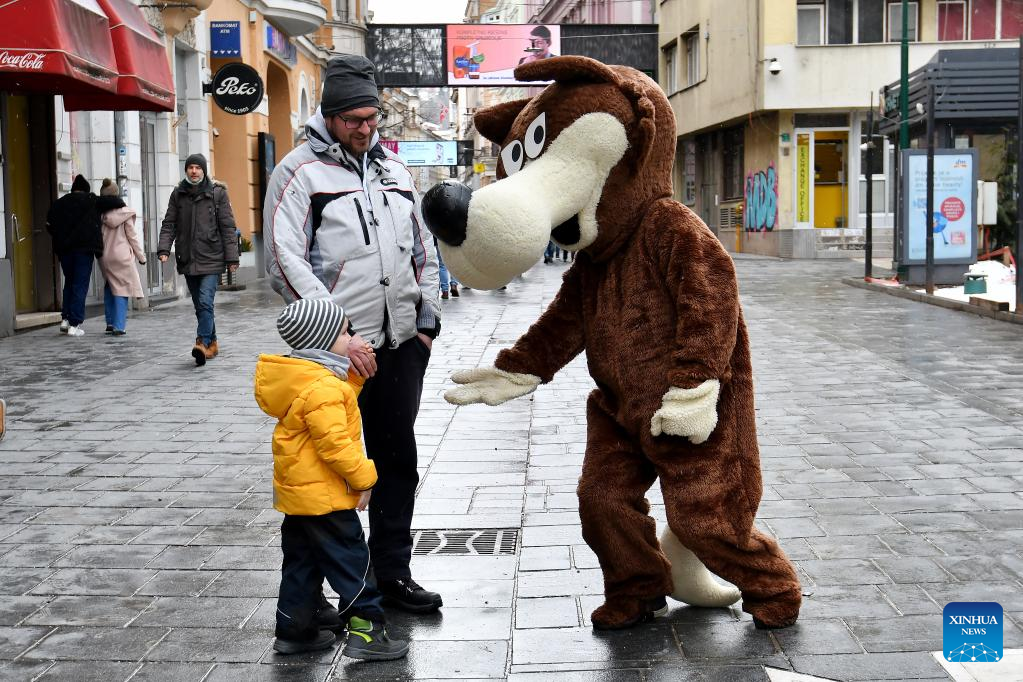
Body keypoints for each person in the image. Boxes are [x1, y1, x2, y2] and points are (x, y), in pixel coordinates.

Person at [265, 54, 443, 614]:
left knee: (397, 462)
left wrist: (427, 325)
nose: (366, 129)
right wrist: (338, 336)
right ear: (330, 115)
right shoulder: (299, 173)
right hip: (334, 354)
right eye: (354, 120)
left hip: (400, 346)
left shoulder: (395, 171)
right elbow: (282, 258)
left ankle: (392, 573)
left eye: (373, 118)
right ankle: (313, 591)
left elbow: (424, 252)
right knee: (324, 469)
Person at [255, 298, 409, 660]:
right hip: (326, 499)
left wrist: (353, 378)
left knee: (301, 564)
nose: (350, 337)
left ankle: (295, 630)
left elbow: (331, 405)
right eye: (343, 332)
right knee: (353, 563)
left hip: (300, 499)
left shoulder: (306, 378)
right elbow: (336, 443)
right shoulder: (323, 388)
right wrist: (365, 478)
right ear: (322, 341)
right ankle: (367, 631)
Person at [158, 154, 239, 366]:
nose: (194, 171)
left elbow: (228, 227)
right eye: (190, 168)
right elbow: (169, 224)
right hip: (188, 258)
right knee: (200, 304)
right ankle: (212, 343)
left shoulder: (217, 193)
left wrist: (232, 257)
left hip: (212, 257)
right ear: (186, 171)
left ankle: (201, 342)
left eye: (197, 168)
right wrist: (164, 248)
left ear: (203, 170)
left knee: (205, 301)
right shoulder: (178, 194)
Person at [46, 174, 102, 337]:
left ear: (73, 189)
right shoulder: (91, 200)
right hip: (84, 250)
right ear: (86, 190)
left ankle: (65, 319)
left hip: (65, 251)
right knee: (80, 285)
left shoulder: (59, 204)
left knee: (69, 283)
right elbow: (113, 203)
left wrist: (61, 239)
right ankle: (75, 324)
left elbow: (49, 225)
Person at [96, 179, 146, 335]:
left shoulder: (100, 214)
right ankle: (119, 326)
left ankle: (110, 322)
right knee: (122, 289)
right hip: (122, 256)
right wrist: (141, 257)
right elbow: (132, 237)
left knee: (110, 286)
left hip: (104, 257)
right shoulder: (125, 214)